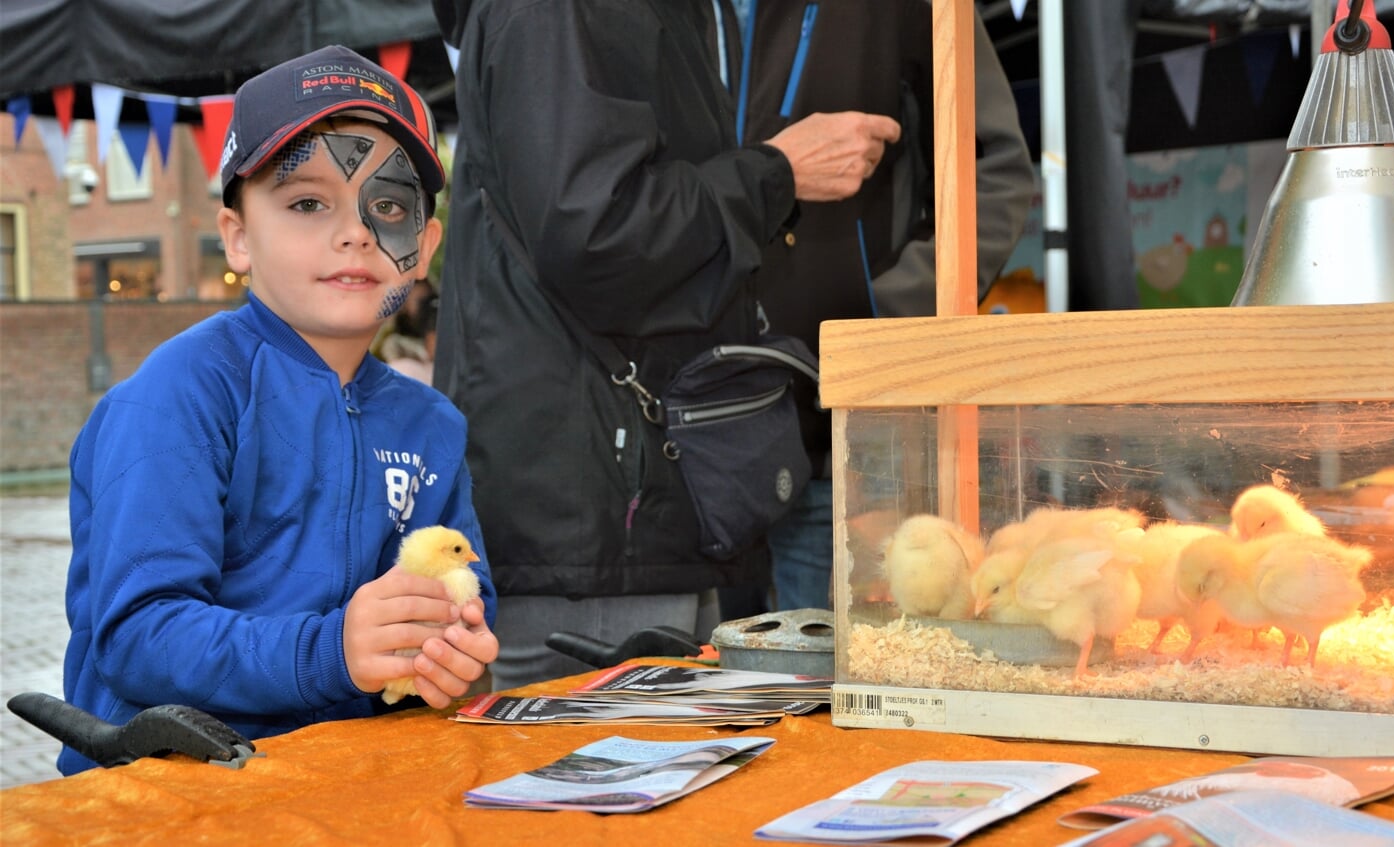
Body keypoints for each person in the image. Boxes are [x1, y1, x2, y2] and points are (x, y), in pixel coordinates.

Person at [431, 0, 900, 689]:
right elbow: (596, 232)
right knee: (597, 781)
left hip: (624, 501)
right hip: (594, 514)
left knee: (644, 772)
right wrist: (776, 172)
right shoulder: (563, 11)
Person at [59, 45, 499, 775]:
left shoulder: (432, 425)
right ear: (237, 235)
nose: (355, 231)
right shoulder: (180, 394)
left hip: (353, 784)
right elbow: (137, 635)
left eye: (387, 205)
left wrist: (455, 645)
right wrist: (331, 651)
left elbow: (467, 589)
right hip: (169, 800)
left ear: (423, 248)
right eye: (306, 203)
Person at [729, 2, 1036, 613]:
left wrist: (887, 309)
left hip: (841, 433)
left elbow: (993, 169)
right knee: (702, 687)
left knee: (834, 680)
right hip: (698, 422)